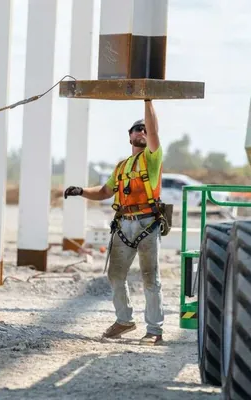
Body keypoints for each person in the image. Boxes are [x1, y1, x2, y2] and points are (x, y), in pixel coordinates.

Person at [63, 99, 166, 346]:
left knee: (150, 277)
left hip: (147, 224)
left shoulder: (151, 159)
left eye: (144, 129)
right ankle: (124, 320)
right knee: (115, 274)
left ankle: (154, 330)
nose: (142, 131)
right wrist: (81, 191)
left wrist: (148, 99)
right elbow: (105, 191)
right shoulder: (121, 167)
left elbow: (153, 129)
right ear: (129, 136)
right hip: (124, 225)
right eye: (136, 129)